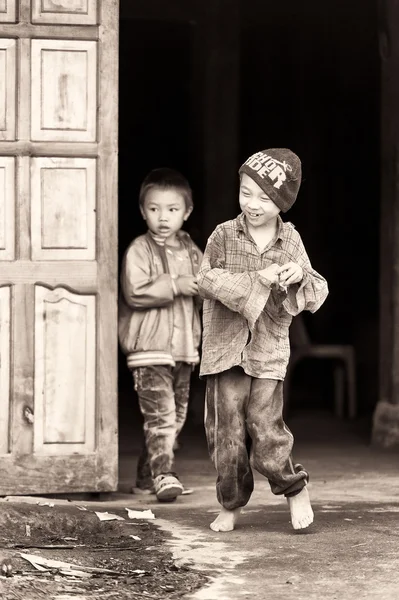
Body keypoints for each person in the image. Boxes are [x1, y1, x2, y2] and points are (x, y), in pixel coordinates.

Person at [197, 148, 328, 532]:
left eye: (266, 198)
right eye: (246, 192)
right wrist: (256, 281)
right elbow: (204, 279)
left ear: (283, 202)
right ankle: (232, 503)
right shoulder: (223, 234)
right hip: (225, 349)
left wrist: (296, 276)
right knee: (227, 433)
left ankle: (293, 487)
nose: (253, 204)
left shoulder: (291, 240)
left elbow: (317, 290)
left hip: (268, 350)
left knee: (266, 427)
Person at [118, 168, 203, 502]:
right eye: (154, 209)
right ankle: (164, 474)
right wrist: (175, 285)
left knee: (175, 417)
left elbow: (203, 287)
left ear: (187, 212)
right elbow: (134, 291)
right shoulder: (139, 249)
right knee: (162, 416)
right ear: (143, 212)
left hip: (183, 348)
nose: (163, 217)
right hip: (149, 348)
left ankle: (145, 478)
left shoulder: (192, 251)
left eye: (172, 210)